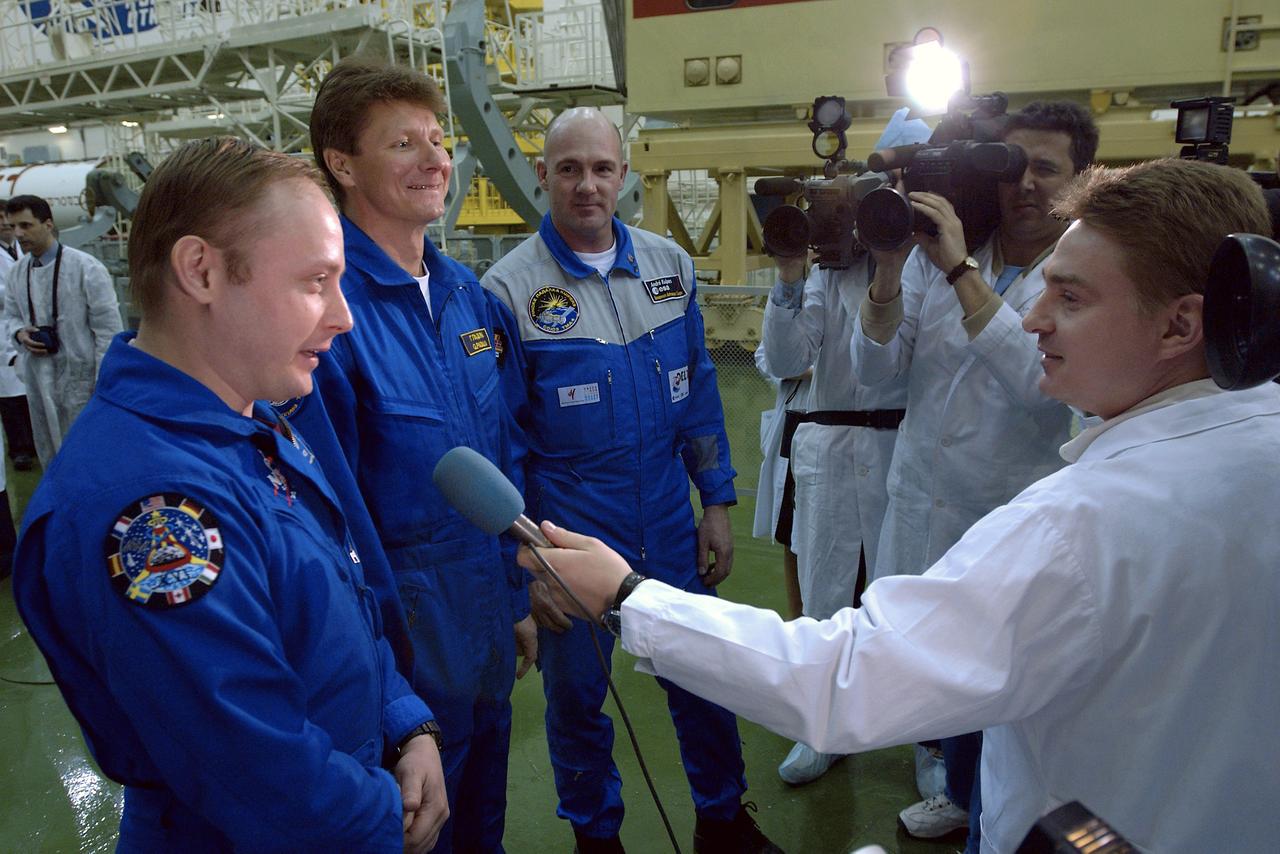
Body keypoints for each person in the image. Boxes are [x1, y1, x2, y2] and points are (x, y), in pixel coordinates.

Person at [518, 157, 1280, 854]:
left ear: (1182, 323)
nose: (1036, 318)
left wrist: (629, 597)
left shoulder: (1081, 525)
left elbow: (847, 677)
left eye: (1070, 296)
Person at [12, 136, 449, 851]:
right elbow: (260, 777)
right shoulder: (150, 507)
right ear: (201, 272)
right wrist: (384, 820)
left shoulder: (248, 420)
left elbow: (341, 597)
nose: (343, 316)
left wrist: (405, 721)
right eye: (315, 283)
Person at [481, 108, 779, 853]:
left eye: (602, 168)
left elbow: (700, 395)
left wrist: (714, 501)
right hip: (570, 537)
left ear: (624, 177)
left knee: (703, 677)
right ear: (543, 175)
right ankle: (596, 839)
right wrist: (529, 567)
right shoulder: (507, 291)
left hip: (670, 523)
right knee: (580, 701)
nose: (587, 185)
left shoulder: (668, 267)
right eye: (570, 169)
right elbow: (502, 445)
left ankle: (724, 821)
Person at [291, 57, 535, 852]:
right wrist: (390, 698)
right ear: (342, 163)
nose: (437, 160)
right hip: (402, 663)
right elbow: (327, 527)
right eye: (404, 144)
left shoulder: (465, 293)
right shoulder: (331, 315)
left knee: (484, 833)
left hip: (486, 635)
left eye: (439, 139)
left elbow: (497, 459)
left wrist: (517, 600)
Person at [853, 101, 1099, 844]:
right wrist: (893, 271)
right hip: (923, 500)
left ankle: (996, 805)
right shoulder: (952, 255)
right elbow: (874, 378)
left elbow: (1041, 391)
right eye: (1010, 166)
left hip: (1004, 510)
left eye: (1046, 169)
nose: (1024, 184)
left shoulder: (1085, 269)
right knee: (943, 665)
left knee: (1003, 679)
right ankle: (958, 790)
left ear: (1080, 178)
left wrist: (958, 270)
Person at [760, 249, 909, 786]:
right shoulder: (827, 268)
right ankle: (821, 728)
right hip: (828, 437)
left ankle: (931, 745)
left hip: (903, 439)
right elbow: (782, 359)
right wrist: (789, 276)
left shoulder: (930, 257)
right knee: (823, 591)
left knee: (908, 594)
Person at [1, 194, 121, 466]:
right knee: (51, 457)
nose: (19, 233)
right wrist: (20, 333)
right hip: (38, 381)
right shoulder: (18, 272)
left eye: (26, 225)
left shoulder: (85, 268)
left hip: (84, 384)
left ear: (48, 224)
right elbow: (10, 316)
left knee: (90, 458)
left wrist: (102, 383)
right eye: (13, 226)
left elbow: (108, 332)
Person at [0, 205, 35, 472]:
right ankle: (19, 449)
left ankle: (31, 444)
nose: (6, 226)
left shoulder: (23, 250)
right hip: (5, 330)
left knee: (27, 395)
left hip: (25, 325)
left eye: (7, 220)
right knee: (10, 398)